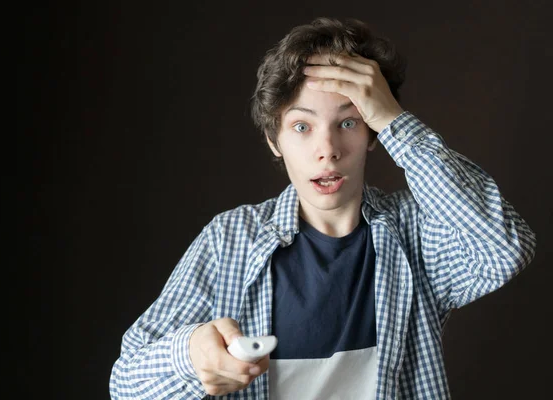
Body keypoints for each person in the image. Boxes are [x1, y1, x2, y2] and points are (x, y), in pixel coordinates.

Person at [109, 17, 537, 399]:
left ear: (372, 132)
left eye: (348, 122)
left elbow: (503, 250)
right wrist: (189, 357)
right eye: (301, 126)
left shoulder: (416, 233)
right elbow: (126, 385)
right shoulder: (230, 241)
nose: (327, 150)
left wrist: (395, 121)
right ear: (275, 141)